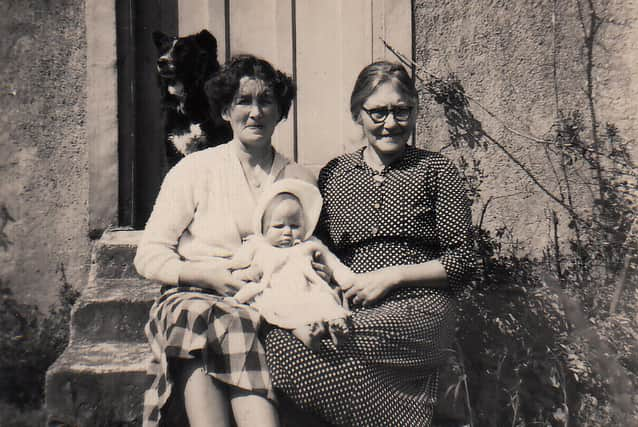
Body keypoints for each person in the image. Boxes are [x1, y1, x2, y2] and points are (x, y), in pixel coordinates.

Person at [264, 61, 475, 426]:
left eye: (401, 110)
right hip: (348, 304)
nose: (390, 123)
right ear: (356, 114)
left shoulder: (436, 169)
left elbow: (462, 261)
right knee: (280, 343)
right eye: (377, 112)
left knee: (321, 342)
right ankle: (403, 416)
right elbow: (319, 248)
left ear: (415, 110)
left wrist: (390, 277)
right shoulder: (335, 173)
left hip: (418, 309)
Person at [134, 55, 317, 427]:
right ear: (225, 110)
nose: (255, 112)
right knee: (203, 315)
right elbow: (148, 256)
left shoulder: (297, 179)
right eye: (243, 101)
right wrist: (206, 276)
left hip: (268, 295)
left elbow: (304, 252)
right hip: (195, 294)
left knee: (228, 321)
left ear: (280, 110)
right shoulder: (195, 170)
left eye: (266, 100)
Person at [229, 178, 353, 349]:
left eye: (295, 226)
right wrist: (249, 273)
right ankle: (307, 334)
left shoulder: (310, 244)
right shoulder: (256, 245)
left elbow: (335, 265)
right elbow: (235, 268)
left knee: (326, 300)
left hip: (309, 289)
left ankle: (336, 325)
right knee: (277, 307)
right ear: (263, 227)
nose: (287, 232)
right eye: (279, 226)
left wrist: (351, 281)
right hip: (275, 290)